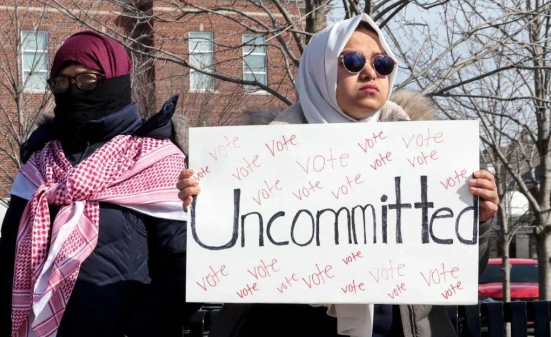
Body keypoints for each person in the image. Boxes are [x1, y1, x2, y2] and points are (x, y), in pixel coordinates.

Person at [176, 13, 498, 337]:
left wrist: (478, 223)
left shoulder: (426, 158)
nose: (371, 71)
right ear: (322, 69)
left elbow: (461, 266)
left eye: (382, 62)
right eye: (354, 61)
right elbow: (231, 263)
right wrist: (209, 208)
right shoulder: (260, 161)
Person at [0, 31, 199, 337]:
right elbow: (6, 265)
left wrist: (141, 327)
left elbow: (184, 265)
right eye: (62, 82)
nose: (73, 91)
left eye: (87, 79)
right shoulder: (37, 167)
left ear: (114, 81)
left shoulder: (157, 160)